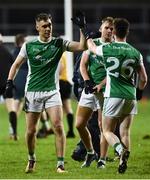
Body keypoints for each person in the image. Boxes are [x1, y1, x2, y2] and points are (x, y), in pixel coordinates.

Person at [5, 12, 86, 173]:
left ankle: (60, 165)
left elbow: (81, 46)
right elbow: (15, 65)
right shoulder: (29, 46)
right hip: (32, 93)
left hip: (52, 92)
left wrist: (82, 28)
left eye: (49, 25)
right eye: (44, 26)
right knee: (31, 131)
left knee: (58, 126)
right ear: (37, 27)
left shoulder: (58, 43)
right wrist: (9, 82)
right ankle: (31, 159)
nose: (48, 28)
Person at [87, 18, 147, 173]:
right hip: (130, 96)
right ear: (127, 32)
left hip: (113, 95)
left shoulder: (108, 48)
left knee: (106, 130)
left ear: (113, 31)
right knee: (125, 131)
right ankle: (122, 162)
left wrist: (88, 36)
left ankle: (120, 150)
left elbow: (92, 48)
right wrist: (139, 91)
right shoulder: (136, 52)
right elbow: (144, 79)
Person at [75, 17, 114, 168]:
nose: (109, 31)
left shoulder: (115, 48)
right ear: (101, 29)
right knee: (79, 124)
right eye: (107, 28)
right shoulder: (93, 45)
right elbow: (83, 66)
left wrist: (100, 84)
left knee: (103, 127)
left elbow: (113, 72)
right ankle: (91, 153)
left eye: (111, 28)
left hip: (106, 91)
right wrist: (86, 81)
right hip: (90, 89)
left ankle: (102, 160)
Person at [0, 33, 16, 140]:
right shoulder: (7, 52)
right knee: (11, 109)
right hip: (6, 83)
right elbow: (14, 66)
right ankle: (13, 133)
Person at [59, 52, 75, 138]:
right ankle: (71, 131)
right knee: (68, 108)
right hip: (66, 82)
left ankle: (60, 130)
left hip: (60, 83)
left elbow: (60, 67)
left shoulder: (58, 54)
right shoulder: (64, 54)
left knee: (58, 108)